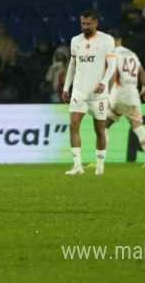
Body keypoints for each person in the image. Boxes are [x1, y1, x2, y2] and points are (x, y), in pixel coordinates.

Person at [61, 11, 117, 176]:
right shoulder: (75, 41)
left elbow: (112, 66)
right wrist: (66, 88)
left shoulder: (106, 40)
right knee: (73, 125)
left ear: (96, 24)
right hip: (79, 91)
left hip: (98, 94)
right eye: (82, 24)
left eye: (88, 24)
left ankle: (100, 163)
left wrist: (103, 83)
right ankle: (77, 165)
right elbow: (72, 66)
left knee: (99, 129)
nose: (85, 27)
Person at [103, 30, 145, 168]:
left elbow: (113, 74)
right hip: (133, 95)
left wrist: (106, 95)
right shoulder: (131, 54)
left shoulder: (112, 53)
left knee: (104, 125)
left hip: (118, 95)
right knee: (138, 127)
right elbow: (142, 72)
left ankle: (99, 160)